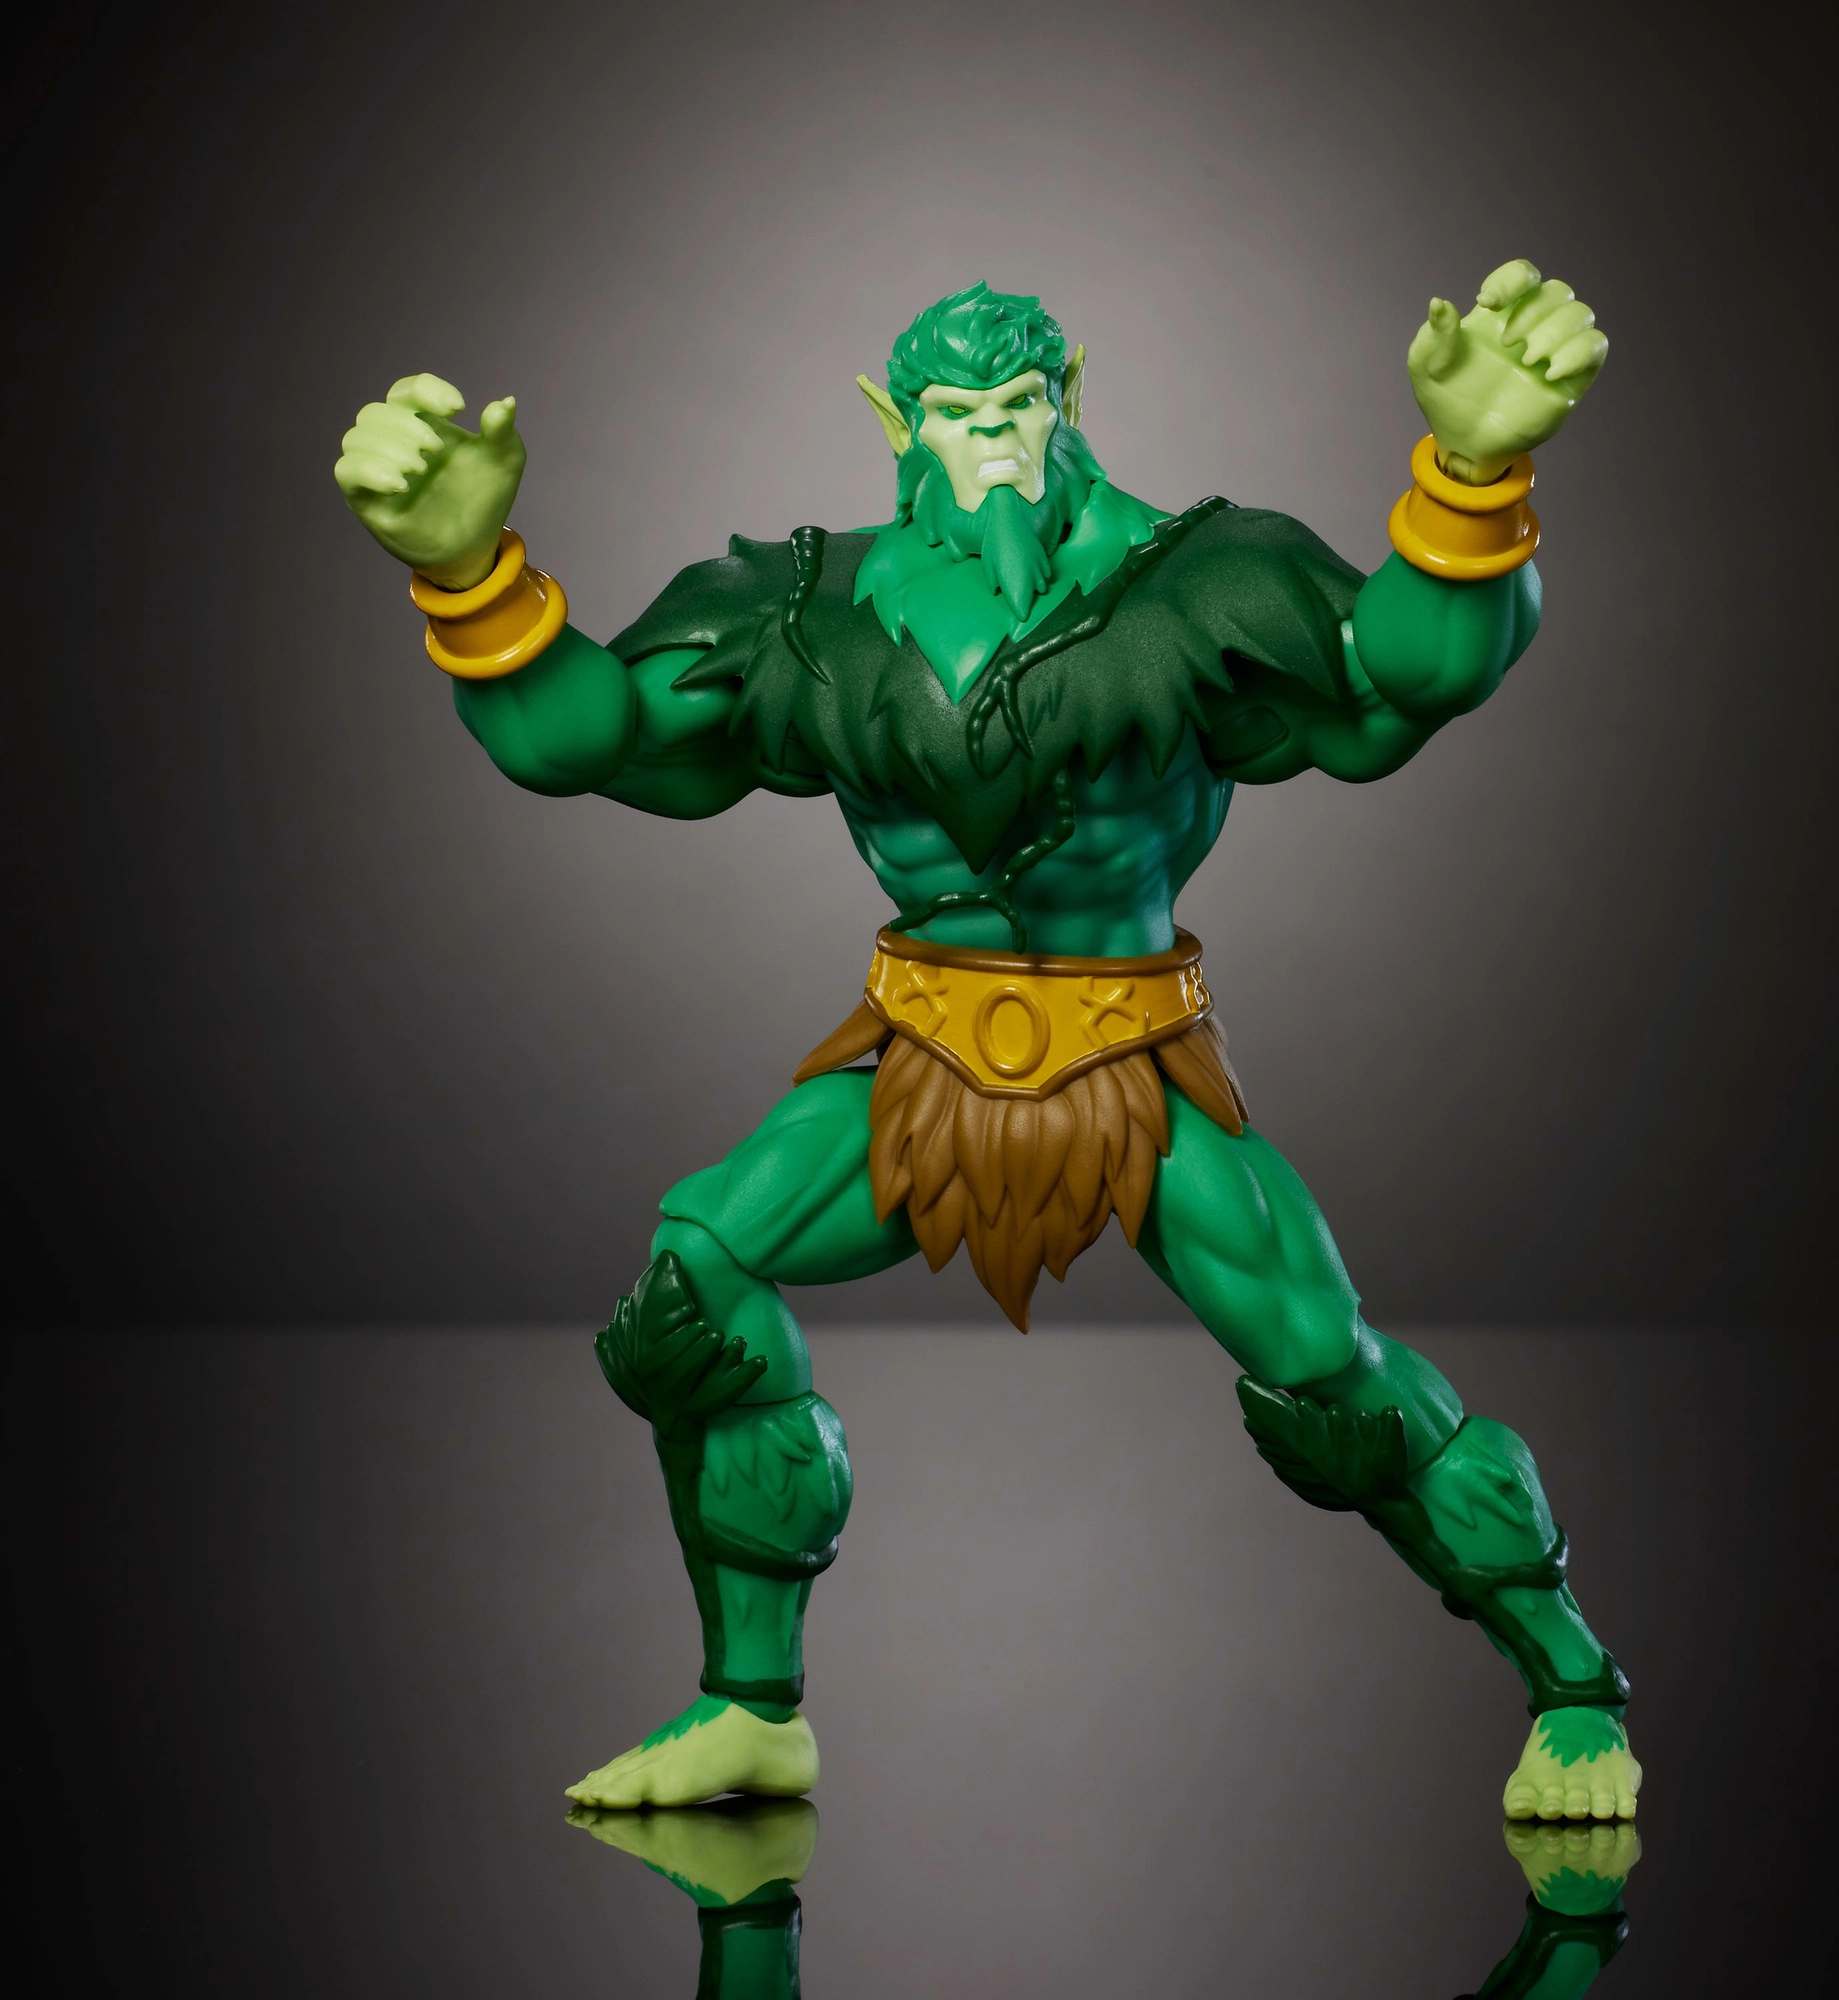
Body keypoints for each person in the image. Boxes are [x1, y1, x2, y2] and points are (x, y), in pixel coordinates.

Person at [333, 270, 1641, 1822]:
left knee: (1333, 1376)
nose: (997, 442)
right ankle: (752, 1710)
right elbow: (600, 734)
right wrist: (468, 573)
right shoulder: (811, 609)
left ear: (1069, 395)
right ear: (898, 426)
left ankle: (1575, 1693)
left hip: (1131, 1059)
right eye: (959, 415)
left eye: (1021, 407)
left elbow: (1403, 673)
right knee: (696, 1286)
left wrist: (1474, 473)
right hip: (921, 1061)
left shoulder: (1196, 576)